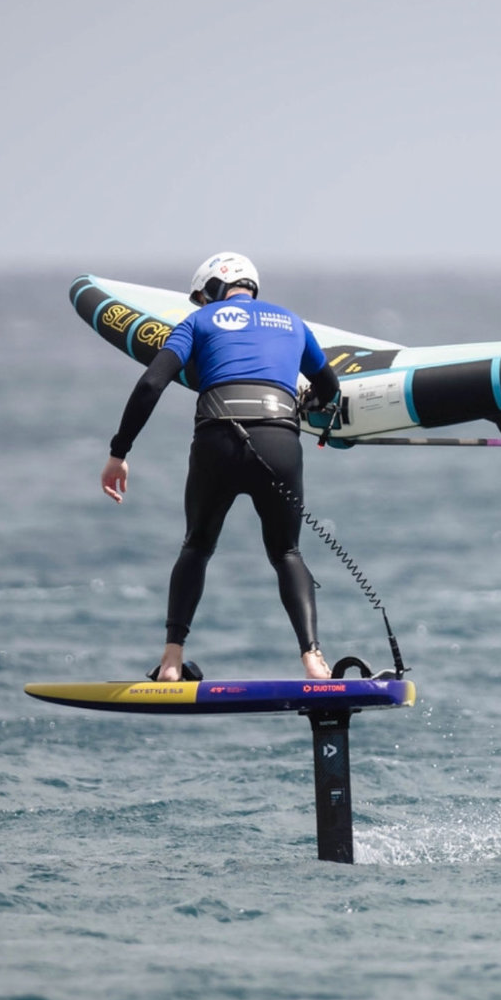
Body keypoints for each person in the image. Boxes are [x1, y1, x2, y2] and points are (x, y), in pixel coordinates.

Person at [100, 251, 340, 682]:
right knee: (286, 553)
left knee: (196, 547)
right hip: (278, 442)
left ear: (211, 289)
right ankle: (313, 660)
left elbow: (152, 382)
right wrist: (311, 406)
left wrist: (120, 452)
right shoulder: (291, 322)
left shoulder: (198, 322)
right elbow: (329, 386)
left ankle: (171, 662)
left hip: (217, 442)